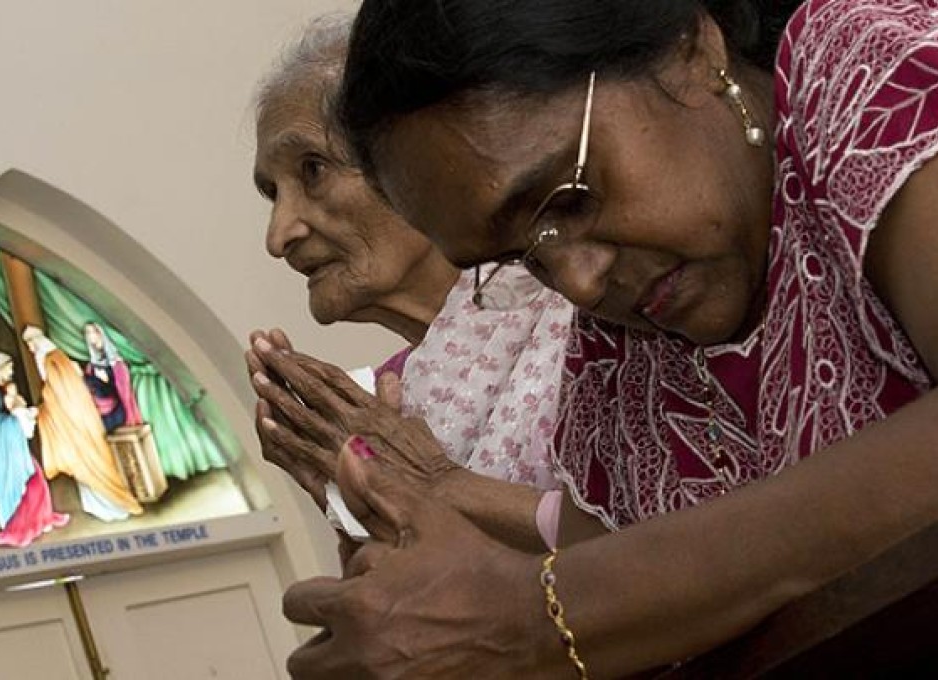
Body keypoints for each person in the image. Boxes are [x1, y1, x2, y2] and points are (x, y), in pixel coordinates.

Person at [247, 0, 938, 676]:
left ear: (693, 50)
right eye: (522, 259)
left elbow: (584, 598)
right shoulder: (618, 358)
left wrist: (534, 616)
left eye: (571, 195)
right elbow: (628, 589)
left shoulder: (860, 75)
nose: (577, 283)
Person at [247, 13, 574, 548]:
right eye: (272, 192)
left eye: (312, 169)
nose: (279, 234)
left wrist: (436, 486)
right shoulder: (387, 406)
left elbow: (665, 541)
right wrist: (360, 523)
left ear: (422, 157)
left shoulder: (590, 297)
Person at [22, 325, 143, 522]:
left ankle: (112, 505)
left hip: (78, 423)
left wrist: (44, 410)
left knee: (92, 464)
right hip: (75, 423)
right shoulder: (54, 362)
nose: (30, 348)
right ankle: (98, 506)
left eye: (31, 343)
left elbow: (61, 395)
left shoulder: (54, 363)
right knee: (83, 465)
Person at [0, 352, 68, 548]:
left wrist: (22, 414)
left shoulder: (2, 389)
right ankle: (20, 525)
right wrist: (16, 418)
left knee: (37, 480)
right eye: (8, 368)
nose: (10, 372)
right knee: (19, 485)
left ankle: (40, 519)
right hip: (5, 449)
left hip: (15, 443)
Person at [82, 322, 143, 433]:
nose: (91, 336)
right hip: (101, 410)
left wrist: (104, 380)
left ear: (100, 333)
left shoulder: (116, 363)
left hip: (117, 410)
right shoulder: (91, 366)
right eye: (88, 333)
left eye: (93, 332)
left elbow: (123, 393)